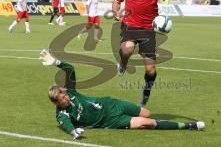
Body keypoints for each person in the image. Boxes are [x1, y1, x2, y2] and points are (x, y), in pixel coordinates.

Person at [39, 50, 205, 140]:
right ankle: (188, 126)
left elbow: (70, 70)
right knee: (147, 122)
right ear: (56, 103)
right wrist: (74, 132)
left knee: (147, 113)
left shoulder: (72, 93)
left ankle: (182, 125)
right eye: (62, 99)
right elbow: (67, 124)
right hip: (110, 120)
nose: (66, 98)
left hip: (111, 104)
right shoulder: (61, 114)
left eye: (65, 95)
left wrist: (56, 62)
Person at [112, 0, 186, 106]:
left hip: (148, 28)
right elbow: (117, 0)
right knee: (127, 49)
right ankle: (123, 62)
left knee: (151, 70)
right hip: (130, 24)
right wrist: (116, 12)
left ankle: (146, 93)